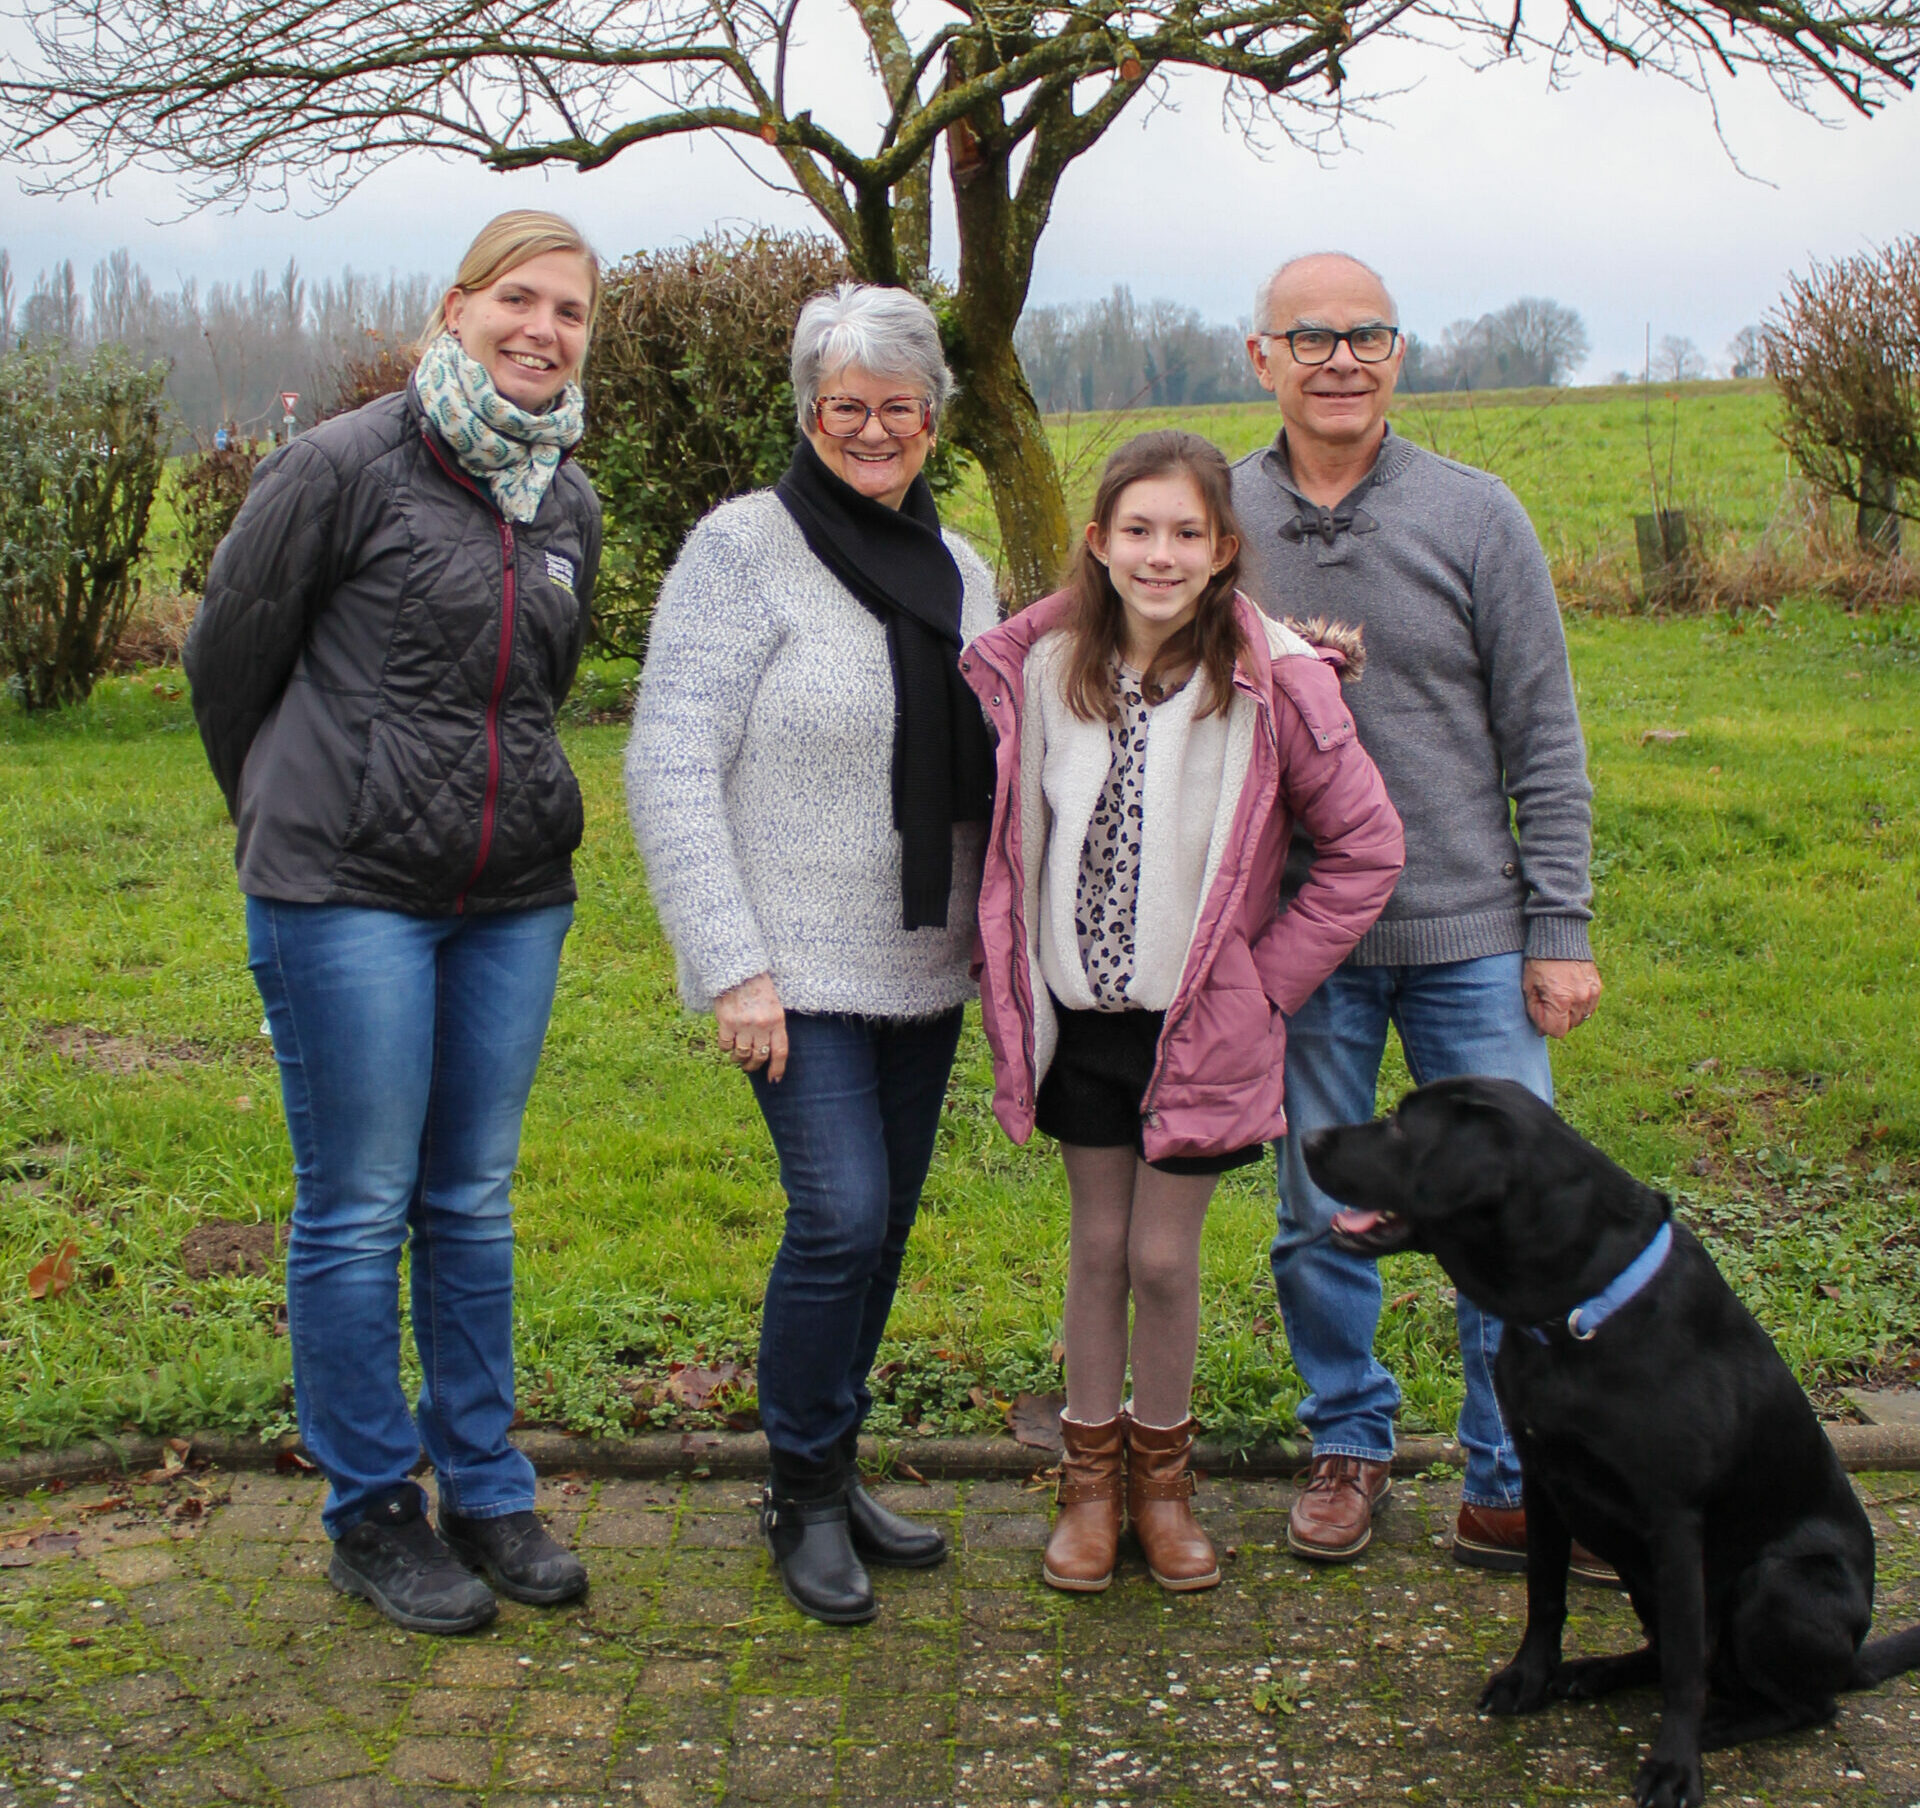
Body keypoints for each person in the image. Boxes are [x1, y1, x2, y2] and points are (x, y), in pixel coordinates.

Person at [184, 211, 603, 1634]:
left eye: (571, 312)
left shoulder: (567, 501)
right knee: (359, 1205)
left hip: (510, 902)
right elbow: (230, 658)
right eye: (519, 301)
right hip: (344, 894)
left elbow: (532, 693)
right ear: (456, 306)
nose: (543, 330)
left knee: (471, 1201)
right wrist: (293, 814)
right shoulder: (343, 465)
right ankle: (373, 1508)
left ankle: (486, 1485)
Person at [965, 431, 1403, 1595]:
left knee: (1164, 1259)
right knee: (1097, 1247)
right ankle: (1089, 1486)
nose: (1161, 555)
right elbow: (1013, 838)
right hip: (1084, 1024)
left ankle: (1164, 1487)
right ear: (1099, 543)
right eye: (1138, 530)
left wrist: (1264, 983)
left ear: (1223, 551)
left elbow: (1366, 847)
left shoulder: (1273, 680)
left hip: (1199, 1023)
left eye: (1187, 534)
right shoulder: (1047, 667)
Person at [1230, 251, 1608, 1573]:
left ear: (1401, 354)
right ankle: (1347, 1440)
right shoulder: (1215, 518)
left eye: (1369, 335)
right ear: (1260, 356)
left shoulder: (1475, 513)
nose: (1342, 358)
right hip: (1299, 944)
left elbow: (1543, 738)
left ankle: (1511, 1478)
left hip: (1472, 939)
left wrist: (1557, 928)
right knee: (1314, 1212)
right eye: (1313, 336)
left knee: (1512, 1221)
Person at [629, 284, 997, 1627]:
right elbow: (671, 758)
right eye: (850, 407)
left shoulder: (964, 571)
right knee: (838, 1214)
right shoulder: (744, 550)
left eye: (902, 408)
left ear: (932, 418)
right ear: (807, 412)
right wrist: (731, 963)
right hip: (790, 967)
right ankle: (794, 1485)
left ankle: (835, 1469)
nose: (876, 430)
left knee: (886, 1224)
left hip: (926, 952)